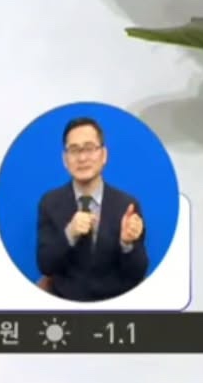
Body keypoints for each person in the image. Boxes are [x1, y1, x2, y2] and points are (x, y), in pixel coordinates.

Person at [35, 117, 148, 302]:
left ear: (104, 155)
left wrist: (127, 243)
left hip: (115, 304)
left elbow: (137, 273)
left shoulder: (127, 205)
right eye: (74, 150)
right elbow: (45, 265)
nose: (82, 158)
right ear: (65, 159)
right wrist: (69, 233)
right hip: (66, 303)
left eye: (89, 148)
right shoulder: (50, 202)